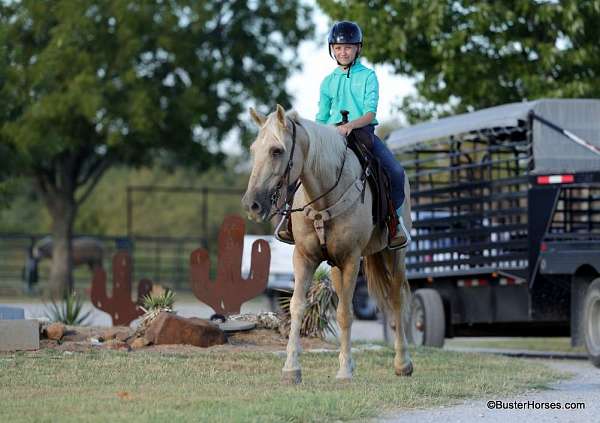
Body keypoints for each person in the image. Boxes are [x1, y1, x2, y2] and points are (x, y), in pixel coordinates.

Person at [277, 21, 410, 249]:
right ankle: (289, 220)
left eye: (348, 47)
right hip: (330, 136)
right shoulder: (328, 81)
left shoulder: (368, 76)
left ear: (358, 48)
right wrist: (318, 135)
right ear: (332, 50)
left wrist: (350, 126)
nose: (343, 52)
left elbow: (370, 113)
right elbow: (321, 116)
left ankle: (394, 223)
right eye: (338, 48)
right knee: (298, 166)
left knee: (396, 173)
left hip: (362, 133)